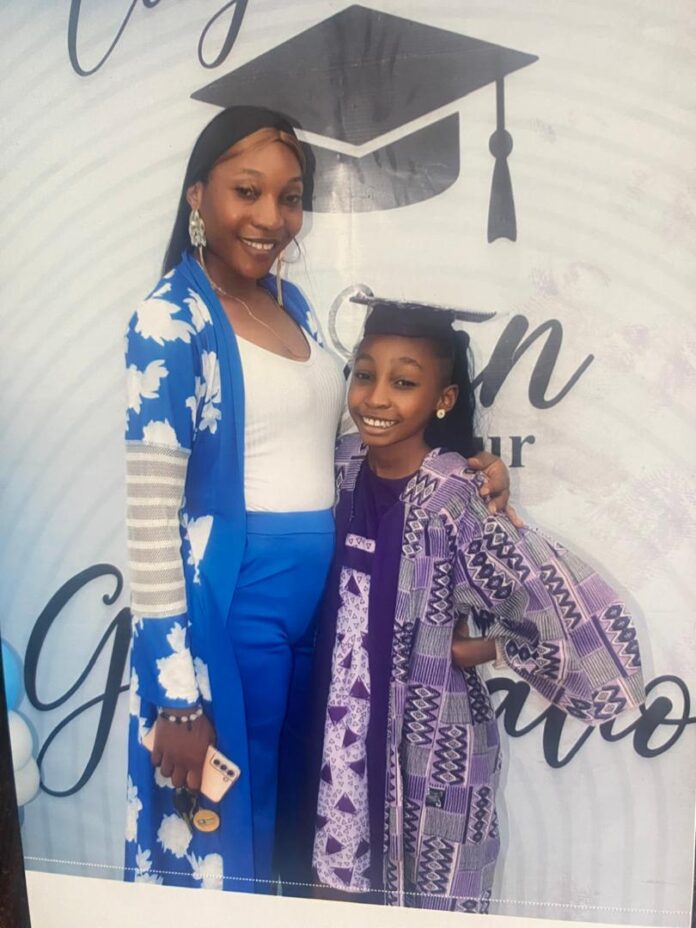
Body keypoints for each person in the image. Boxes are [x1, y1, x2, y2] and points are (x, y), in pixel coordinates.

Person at [123, 107, 512, 893]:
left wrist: (465, 461)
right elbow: (149, 521)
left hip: (325, 616)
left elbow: (349, 442)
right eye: (247, 191)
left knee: (301, 826)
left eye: (290, 197)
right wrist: (175, 697)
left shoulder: (293, 306)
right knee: (232, 832)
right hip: (236, 613)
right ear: (197, 196)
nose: (272, 218)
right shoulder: (170, 322)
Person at [309, 298, 645, 912]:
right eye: (365, 374)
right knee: (331, 892)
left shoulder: (453, 496)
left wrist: (484, 649)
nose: (376, 398)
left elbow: (547, 602)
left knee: (431, 897)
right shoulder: (338, 467)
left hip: (430, 737)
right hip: (339, 733)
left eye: (404, 382)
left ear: (443, 399)